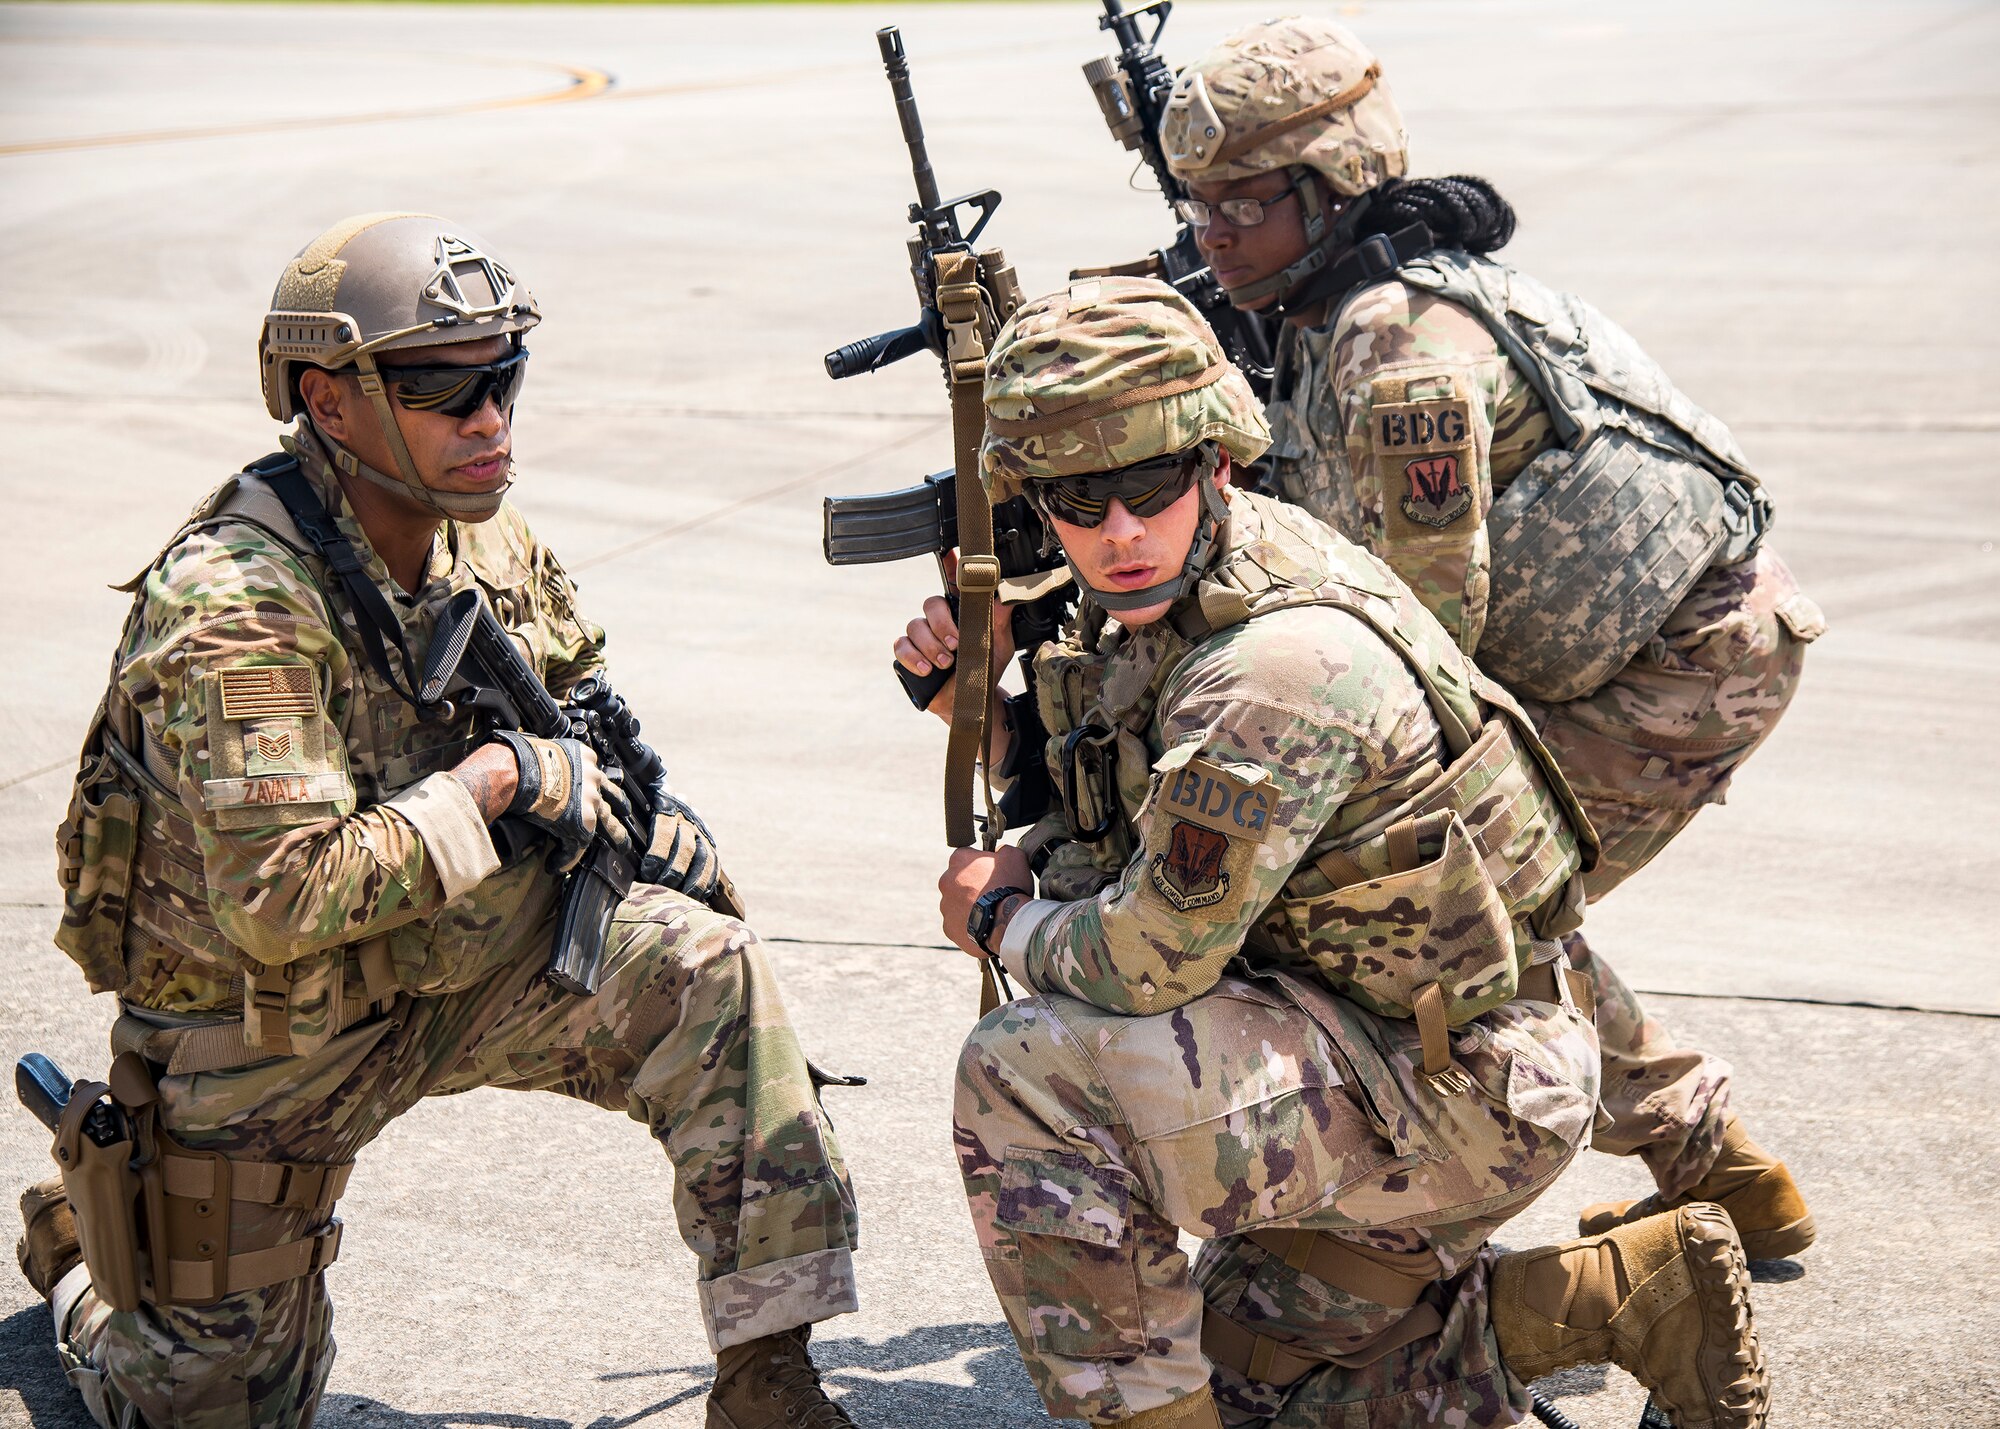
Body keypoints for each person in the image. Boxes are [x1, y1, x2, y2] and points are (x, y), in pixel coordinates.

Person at [16, 213, 865, 1429]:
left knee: (709, 972)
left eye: (503, 375)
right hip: (270, 1034)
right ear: (329, 401)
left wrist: (639, 822)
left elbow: (584, 718)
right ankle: (82, 1259)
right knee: (200, 1410)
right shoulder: (239, 605)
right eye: (439, 386)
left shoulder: (487, 538)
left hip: (464, 965)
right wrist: (501, 785)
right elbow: (282, 900)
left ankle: (769, 1380)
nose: (489, 417)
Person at [900, 275, 1767, 1428]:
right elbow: (1125, 808)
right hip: (1390, 1041)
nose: (1115, 531)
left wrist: (996, 915)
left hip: (1454, 1089)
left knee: (1024, 1074)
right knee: (1254, 1384)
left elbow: (1141, 963)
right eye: (1074, 498)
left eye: (1148, 485)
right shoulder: (1192, 581)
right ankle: (1621, 1296)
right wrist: (990, 716)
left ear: (1214, 462)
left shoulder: (1271, 664)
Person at [1156, 15, 1825, 1259]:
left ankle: (1520, 1198)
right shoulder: (1334, 308)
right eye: (1197, 207)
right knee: (1489, 892)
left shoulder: (1394, 352)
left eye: (1244, 203)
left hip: (1682, 671)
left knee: (1456, 895)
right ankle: (1722, 1168)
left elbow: (1428, 651)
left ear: (1331, 186)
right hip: (1628, 650)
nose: (1213, 236)